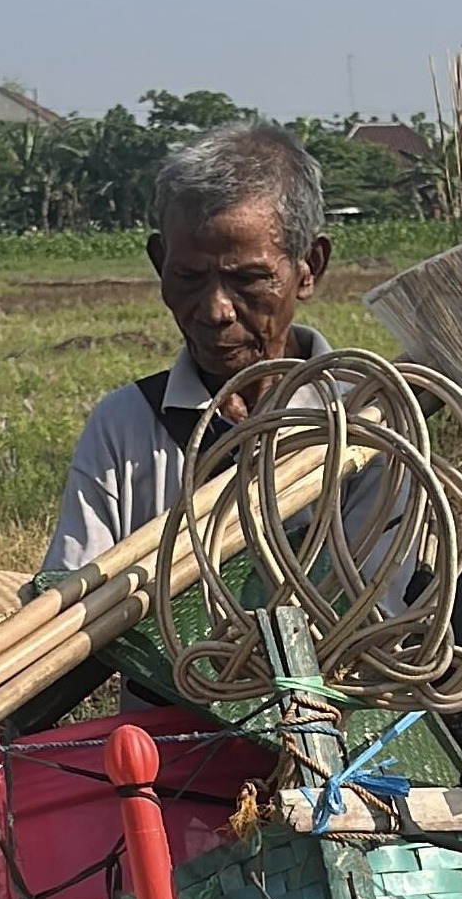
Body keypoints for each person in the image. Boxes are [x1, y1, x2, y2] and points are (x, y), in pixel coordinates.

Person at [40, 120, 334, 575]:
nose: (216, 311)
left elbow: (380, 596)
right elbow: (73, 592)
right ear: (161, 264)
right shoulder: (125, 425)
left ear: (309, 267)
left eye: (248, 279)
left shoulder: (362, 419)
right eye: (188, 277)